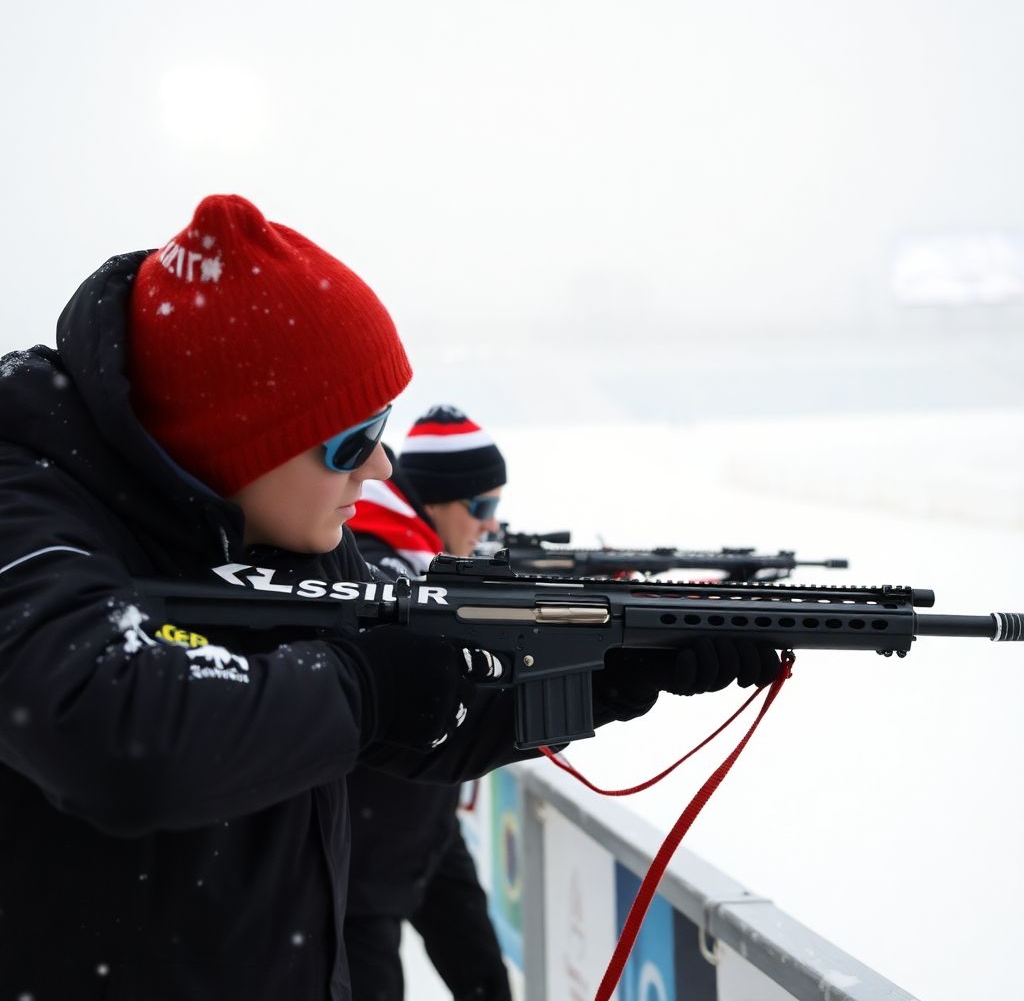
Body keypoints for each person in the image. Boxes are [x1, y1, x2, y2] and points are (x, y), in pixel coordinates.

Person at [0, 193, 780, 1001]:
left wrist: (608, 671)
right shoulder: (26, 506)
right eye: (353, 440)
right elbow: (110, 733)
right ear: (237, 441)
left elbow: (425, 713)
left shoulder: (285, 524)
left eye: (383, 429)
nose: (380, 469)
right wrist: (361, 684)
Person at [344, 406, 512, 1000]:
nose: (489, 528)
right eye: (482, 508)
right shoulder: (371, 557)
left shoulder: (419, 554)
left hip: (428, 827)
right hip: (362, 859)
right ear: (437, 501)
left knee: (489, 984)